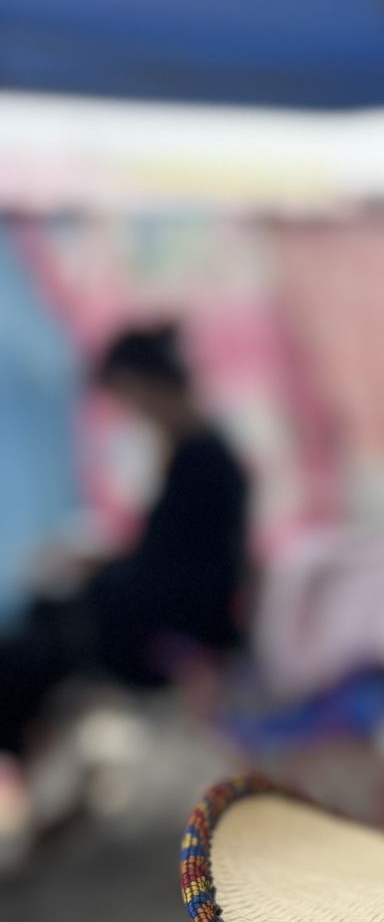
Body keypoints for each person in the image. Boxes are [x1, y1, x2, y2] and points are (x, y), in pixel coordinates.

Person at [0, 323, 251, 857]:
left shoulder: (202, 460)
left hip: (170, 637)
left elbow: (190, 581)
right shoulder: (194, 453)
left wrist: (104, 575)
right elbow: (170, 562)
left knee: (27, 656)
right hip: (155, 622)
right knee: (36, 635)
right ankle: (46, 796)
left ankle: (42, 799)